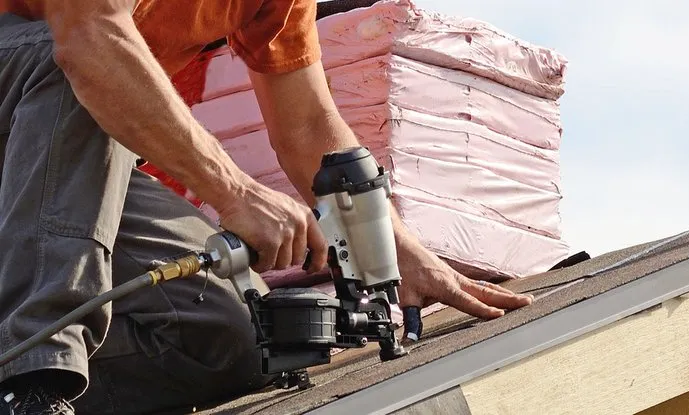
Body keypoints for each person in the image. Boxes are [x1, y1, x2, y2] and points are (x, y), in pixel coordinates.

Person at [0, 1, 533, 414]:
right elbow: (91, 39)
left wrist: (399, 254)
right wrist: (236, 192)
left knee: (235, 337)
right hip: (37, 98)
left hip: (51, 149)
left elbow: (308, 128)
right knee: (71, 65)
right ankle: (29, 385)